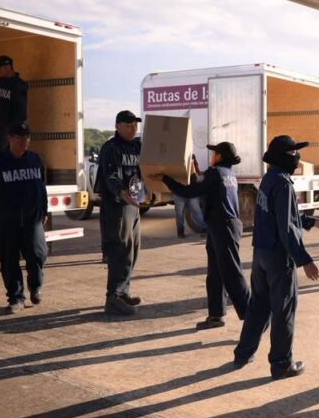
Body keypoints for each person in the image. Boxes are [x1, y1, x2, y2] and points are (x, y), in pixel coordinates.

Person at [233, 135, 319, 379]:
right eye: (293, 153)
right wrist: (304, 259)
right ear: (283, 157)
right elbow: (286, 227)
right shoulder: (284, 184)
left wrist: (310, 221)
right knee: (283, 310)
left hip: (261, 253)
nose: (297, 158)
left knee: (258, 306)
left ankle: (243, 353)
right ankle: (282, 364)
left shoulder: (269, 179)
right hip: (279, 257)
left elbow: (284, 215)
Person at [152, 141, 250, 328]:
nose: (211, 156)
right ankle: (216, 315)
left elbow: (188, 192)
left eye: (214, 153)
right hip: (223, 226)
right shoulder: (228, 173)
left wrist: (166, 179)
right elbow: (207, 187)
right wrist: (196, 173)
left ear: (219, 156)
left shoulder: (215, 173)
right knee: (215, 273)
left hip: (223, 227)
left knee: (232, 274)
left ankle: (253, 318)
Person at [0, 122, 48, 314]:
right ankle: (16, 298)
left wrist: (44, 211)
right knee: (9, 260)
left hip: (33, 218)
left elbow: (42, 188)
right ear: (9, 138)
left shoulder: (35, 159)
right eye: (19, 137)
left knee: (37, 255)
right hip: (8, 219)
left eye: (27, 137)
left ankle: (35, 286)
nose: (24, 141)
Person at [98, 110, 146, 316]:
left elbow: (148, 167)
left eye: (135, 125)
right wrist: (121, 191)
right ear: (117, 126)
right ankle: (113, 297)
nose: (133, 128)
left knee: (133, 249)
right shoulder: (111, 148)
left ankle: (123, 291)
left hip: (133, 204)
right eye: (128, 125)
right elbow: (110, 176)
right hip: (117, 206)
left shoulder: (137, 146)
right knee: (120, 250)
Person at [0, 55, 29, 155]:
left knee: (7, 154)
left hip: (9, 128)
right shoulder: (0, 81)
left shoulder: (19, 85)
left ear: (8, 67)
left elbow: (21, 111)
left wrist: (13, 130)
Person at [174, 156, 206, 238]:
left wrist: (194, 167)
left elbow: (198, 177)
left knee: (196, 211)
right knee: (180, 214)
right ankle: (180, 231)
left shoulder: (191, 158)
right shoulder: (177, 160)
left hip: (188, 193)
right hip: (181, 193)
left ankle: (203, 229)